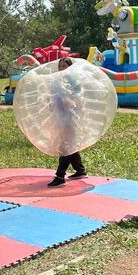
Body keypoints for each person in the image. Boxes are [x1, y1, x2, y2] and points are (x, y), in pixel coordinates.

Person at [47, 57, 88, 187]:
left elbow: (79, 100)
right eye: (60, 66)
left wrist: (69, 102)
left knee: (66, 146)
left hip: (70, 117)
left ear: (70, 67)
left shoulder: (74, 82)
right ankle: (80, 171)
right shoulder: (59, 81)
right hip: (61, 117)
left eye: (64, 66)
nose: (61, 69)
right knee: (70, 144)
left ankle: (60, 176)